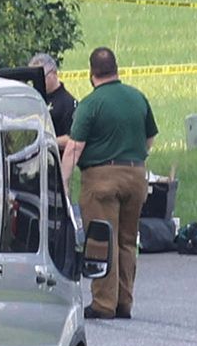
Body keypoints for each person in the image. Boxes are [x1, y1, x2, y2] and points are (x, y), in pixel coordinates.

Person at [60, 47, 157, 321]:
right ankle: (124, 301)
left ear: (92, 73)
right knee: (127, 241)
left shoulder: (91, 104)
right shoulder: (138, 97)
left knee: (103, 239)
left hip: (101, 179)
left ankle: (104, 303)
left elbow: (75, 147)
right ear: (117, 69)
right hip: (136, 176)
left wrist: (64, 182)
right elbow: (149, 140)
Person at [29, 53, 78, 146]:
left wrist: (45, 142)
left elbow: (72, 138)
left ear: (54, 73)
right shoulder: (33, 100)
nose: (37, 82)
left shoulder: (68, 103)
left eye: (41, 77)